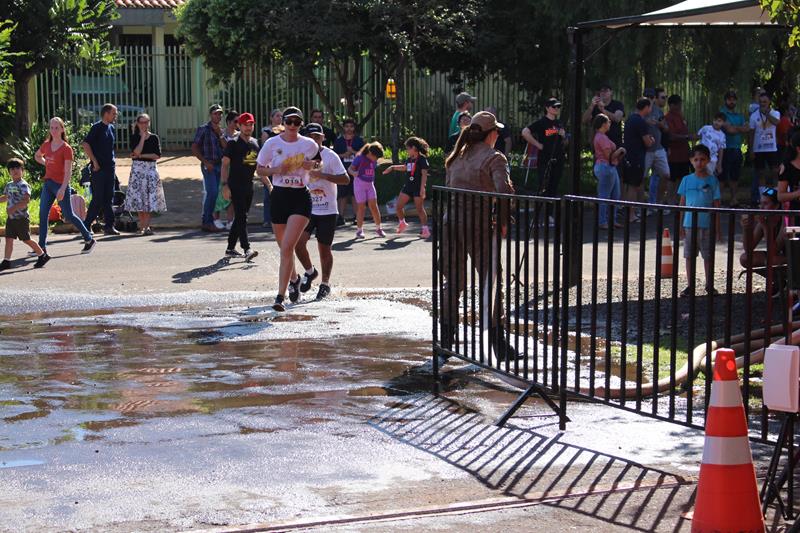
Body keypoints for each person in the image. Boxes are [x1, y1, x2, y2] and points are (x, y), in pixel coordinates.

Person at [441, 111, 516, 360]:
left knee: (453, 281)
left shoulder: (456, 157)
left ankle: (446, 341)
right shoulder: (494, 157)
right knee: (491, 282)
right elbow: (504, 189)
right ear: (491, 134)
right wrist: (504, 220)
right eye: (497, 131)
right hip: (479, 226)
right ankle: (499, 345)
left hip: (450, 224)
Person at [256, 106, 320, 312]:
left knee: (287, 247)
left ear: (301, 124)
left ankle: (279, 297)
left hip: (300, 196)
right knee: (283, 246)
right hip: (279, 196)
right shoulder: (272, 143)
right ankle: (294, 279)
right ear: (283, 123)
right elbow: (259, 169)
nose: (292, 126)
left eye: (297, 122)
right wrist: (277, 169)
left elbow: (319, 164)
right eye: (289, 121)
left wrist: (312, 166)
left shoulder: (308, 144)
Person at [294, 122, 350, 301]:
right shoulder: (300, 155)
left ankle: (325, 284)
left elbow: (346, 179)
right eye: (310, 137)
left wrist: (323, 175)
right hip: (307, 207)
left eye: (317, 137)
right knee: (297, 243)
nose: (314, 140)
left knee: (324, 249)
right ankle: (310, 272)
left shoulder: (330, 156)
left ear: (322, 138)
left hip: (327, 209)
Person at [35, 117, 95, 254]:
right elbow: (37, 156)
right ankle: (41, 247)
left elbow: (68, 172)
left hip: (60, 185)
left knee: (69, 214)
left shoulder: (66, 149)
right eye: (51, 128)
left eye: (57, 128)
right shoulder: (46, 145)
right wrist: (47, 163)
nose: (54, 130)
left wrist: (62, 189)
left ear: (62, 129)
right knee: (43, 215)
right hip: (48, 184)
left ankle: (89, 238)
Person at [677, 144, 721, 296]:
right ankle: (690, 285)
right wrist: (680, 225)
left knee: (708, 256)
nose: (699, 163)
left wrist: (717, 228)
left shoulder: (713, 181)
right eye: (696, 159)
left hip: (706, 224)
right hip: (689, 224)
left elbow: (717, 206)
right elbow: (682, 204)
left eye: (702, 159)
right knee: (689, 255)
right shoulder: (686, 180)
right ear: (691, 161)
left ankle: (709, 284)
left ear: (708, 160)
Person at [221, 112, 260, 262]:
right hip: (235, 184)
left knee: (241, 216)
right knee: (242, 216)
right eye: (245, 124)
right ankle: (247, 248)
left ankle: (230, 248)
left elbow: (259, 165)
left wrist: (269, 184)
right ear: (240, 125)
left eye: (251, 124)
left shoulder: (256, 143)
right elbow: (225, 165)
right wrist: (225, 185)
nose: (248, 127)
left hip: (248, 185)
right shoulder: (233, 143)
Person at [0, 158, 48, 271]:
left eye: (18, 168)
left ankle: (42, 255)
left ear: (23, 171)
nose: (15, 171)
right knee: (8, 239)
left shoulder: (24, 185)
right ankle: (6, 261)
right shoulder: (9, 185)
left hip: (21, 218)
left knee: (26, 239)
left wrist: (13, 208)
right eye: (12, 169)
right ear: (9, 172)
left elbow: (26, 200)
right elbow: (5, 197)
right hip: (11, 219)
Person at [123, 113, 165, 236]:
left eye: (146, 122)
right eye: (141, 122)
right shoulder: (134, 137)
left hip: (150, 170)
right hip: (137, 170)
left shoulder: (154, 138)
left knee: (148, 199)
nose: (144, 125)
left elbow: (157, 155)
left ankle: (147, 226)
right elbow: (135, 151)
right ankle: (142, 226)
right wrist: (142, 137)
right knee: (139, 198)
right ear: (137, 123)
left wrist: (141, 156)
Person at [82, 103, 119, 236]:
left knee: (109, 197)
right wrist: (94, 162)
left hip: (110, 168)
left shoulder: (111, 128)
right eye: (114, 113)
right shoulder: (97, 128)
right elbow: (86, 144)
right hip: (98, 169)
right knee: (98, 198)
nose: (116, 116)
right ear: (106, 113)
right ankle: (86, 225)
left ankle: (109, 226)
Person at [383, 136, 430, 238]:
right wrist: (392, 167)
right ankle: (402, 223)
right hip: (408, 186)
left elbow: (424, 175)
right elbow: (405, 168)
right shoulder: (409, 159)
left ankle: (425, 230)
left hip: (418, 187)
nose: (407, 150)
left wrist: (422, 188)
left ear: (413, 148)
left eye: (407, 148)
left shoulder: (422, 159)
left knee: (419, 209)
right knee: (398, 207)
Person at [522, 97, 566, 197]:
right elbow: (525, 132)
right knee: (543, 187)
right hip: (545, 159)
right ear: (547, 108)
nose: (557, 109)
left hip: (558, 158)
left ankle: (550, 211)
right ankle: (539, 210)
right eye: (554, 106)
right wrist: (538, 145)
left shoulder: (559, 123)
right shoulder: (542, 122)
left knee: (554, 188)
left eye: (558, 106)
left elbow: (564, 142)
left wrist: (563, 136)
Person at [191, 104, 225, 232]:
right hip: (209, 164)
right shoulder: (204, 129)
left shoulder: (221, 130)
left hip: (219, 164)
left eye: (220, 113)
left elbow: (226, 147)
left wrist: (220, 134)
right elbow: (194, 147)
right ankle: (207, 221)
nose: (218, 116)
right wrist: (205, 162)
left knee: (216, 194)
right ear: (211, 115)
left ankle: (209, 220)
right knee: (212, 192)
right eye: (216, 113)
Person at [622, 98, 655, 221]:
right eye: (650, 107)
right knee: (632, 186)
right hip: (636, 158)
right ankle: (631, 215)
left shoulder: (630, 119)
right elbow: (647, 142)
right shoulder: (640, 122)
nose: (651, 109)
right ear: (646, 107)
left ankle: (632, 212)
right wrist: (651, 140)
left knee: (633, 185)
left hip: (629, 157)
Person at [741, 187, 786, 275]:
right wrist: (746, 228)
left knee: (770, 260)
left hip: (792, 257)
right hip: (778, 256)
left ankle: (778, 282)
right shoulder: (764, 219)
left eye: (765, 204)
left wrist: (765, 226)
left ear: (776, 206)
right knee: (745, 258)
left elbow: (774, 251)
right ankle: (776, 281)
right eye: (760, 203)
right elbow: (748, 248)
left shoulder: (784, 220)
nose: (761, 207)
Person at [592, 114, 625, 229]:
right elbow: (609, 156)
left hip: (610, 167)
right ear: (603, 124)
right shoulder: (601, 137)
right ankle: (602, 221)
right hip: (605, 167)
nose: (610, 124)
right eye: (608, 122)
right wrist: (620, 150)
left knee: (616, 194)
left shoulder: (603, 136)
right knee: (604, 195)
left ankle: (612, 219)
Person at [348, 142, 386, 239]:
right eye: (376, 157)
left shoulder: (374, 160)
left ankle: (379, 228)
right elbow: (350, 169)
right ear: (370, 153)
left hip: (370, 185)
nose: (376, 159)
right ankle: (359, 230)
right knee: (361, 207)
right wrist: (354, 173)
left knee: (374, 206)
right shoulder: (359, 158)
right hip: (359, 185)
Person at [749, 91, 781, 205]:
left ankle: (776, 196)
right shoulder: (754, 116)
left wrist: (767, 114)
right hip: (759, 149)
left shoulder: (775, 113)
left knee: (775, 172)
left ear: (769, 102)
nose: (763, 104)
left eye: (765, 102)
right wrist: (751, 149)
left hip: (772, 148)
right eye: (761, 102)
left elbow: (777, 122)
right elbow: (751, 133)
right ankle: (762, 198)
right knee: (760, 173)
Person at [720, 90, 749, 207]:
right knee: (722, 176)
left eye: (733, 99)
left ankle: (734, 199)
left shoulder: (740, 115)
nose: (731, 101)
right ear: (725, 100)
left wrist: (734, 128)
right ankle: (718, 200)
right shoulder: (722, 113)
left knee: (735, 176)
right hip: (724, 149)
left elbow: (747, 129)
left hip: (737, 149)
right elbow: (729, 130)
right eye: (729, 99)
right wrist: (739, 128)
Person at [333, 118, 364, 226]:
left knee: (355, 194)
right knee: (342, 195)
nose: (349, 128)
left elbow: (364, 156)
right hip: (342, 170)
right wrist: (344, 155)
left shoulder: (359, 141)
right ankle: (341, 217)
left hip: (356, 171)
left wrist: (353, 152)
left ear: (354, 128)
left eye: (351, 126)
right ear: (344, 128)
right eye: (347, 126)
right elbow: (335, 155)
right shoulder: (339, 141)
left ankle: (357, 216)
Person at [643, 88, 670, 208]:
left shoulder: (658, 111)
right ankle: (642, 206)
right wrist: (645, 122)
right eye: (647, 96)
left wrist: (660, 124)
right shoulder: (639, 109)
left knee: (666, 175)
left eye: (652, 97)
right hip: (645, 150)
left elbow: (666, 128)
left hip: (658, 148)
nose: (650, 99)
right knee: (641, 178)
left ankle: (657, 204)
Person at [213, 110, 239, 230]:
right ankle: (216, 219)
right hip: (222, 167)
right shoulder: (221, 133)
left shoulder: (239, 135)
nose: (238, 123)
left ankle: (230, 221)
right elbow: (225, 147)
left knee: (232, 194)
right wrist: (221, 136)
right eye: (235, 121)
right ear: (229, 122)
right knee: (219, 193)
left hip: (234, 168)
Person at [664, 95, 691, 205]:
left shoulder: (680, 116)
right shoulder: (668, 117)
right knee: (672, 178)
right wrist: (686, 137)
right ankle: (670, 200)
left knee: (682, 177)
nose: (680, 106)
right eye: (678, 104)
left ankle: (679, 200)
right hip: (674, 153)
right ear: (672, 105)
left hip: (684, 152)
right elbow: (670, 135)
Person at [260, 108, 284, 230]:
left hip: (283, 166)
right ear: (271, 118)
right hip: (270, 166)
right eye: (277, 116)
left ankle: (280, 218)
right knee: (268, 193)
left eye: (281, 116)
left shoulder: (285, 131)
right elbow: (266, 149)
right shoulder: (266, 131)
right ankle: (267, 219)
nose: (279, 118)